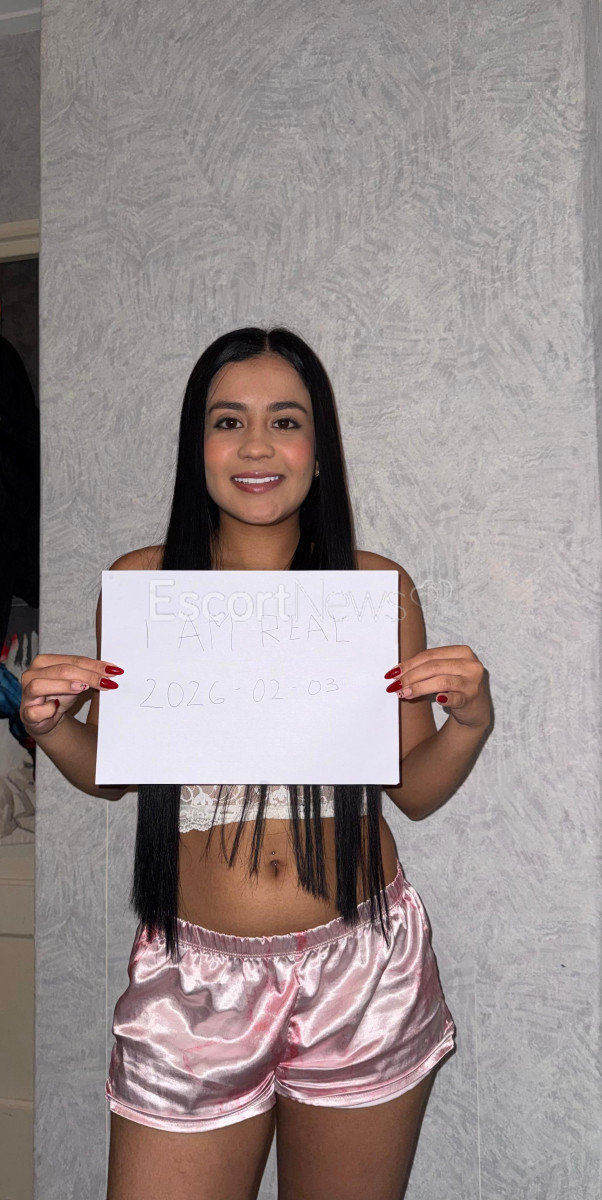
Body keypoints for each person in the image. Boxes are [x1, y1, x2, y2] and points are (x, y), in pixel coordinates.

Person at [20, 327, 493, 1200]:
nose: (256, 446)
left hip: (364, 969)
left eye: (285, 421)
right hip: (194, 983)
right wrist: (51, 728)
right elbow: (111, 771)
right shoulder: (145, 585)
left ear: (319, 448)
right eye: (228, 421)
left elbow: (415, 790)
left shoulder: (376, 588)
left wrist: (469, 722)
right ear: (196, 445)